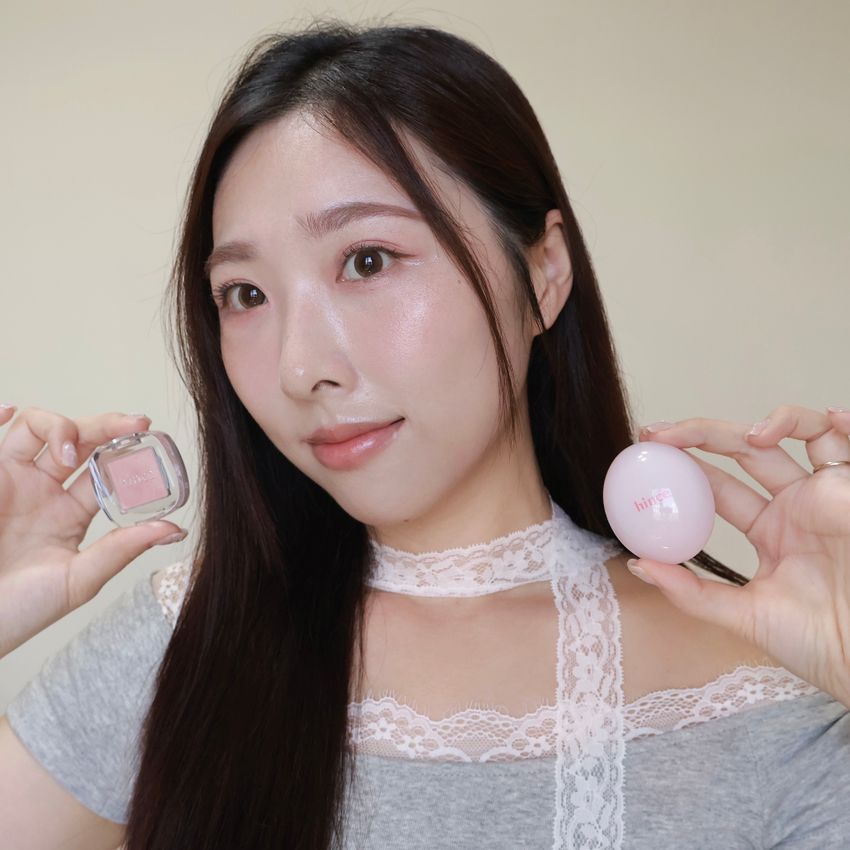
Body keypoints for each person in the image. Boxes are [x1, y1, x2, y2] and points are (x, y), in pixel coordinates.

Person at [2, 18, 850, 850]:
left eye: (367, 260)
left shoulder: (766, 690)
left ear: (543, 273)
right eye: (246, 295)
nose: (301, 368)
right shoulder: (188, 640)